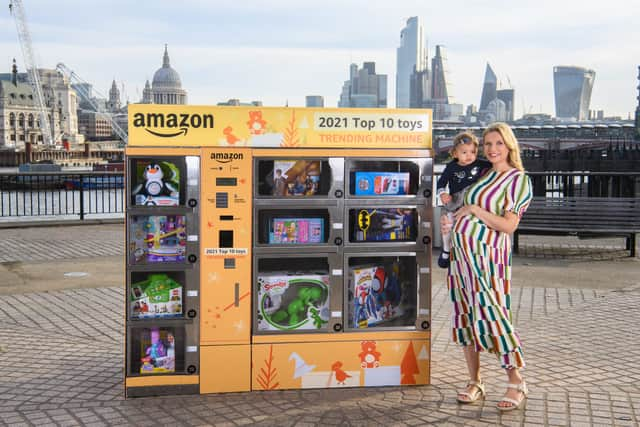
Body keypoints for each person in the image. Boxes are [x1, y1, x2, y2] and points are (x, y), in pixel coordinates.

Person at [441, 122, 533, 412]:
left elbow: (508, 225)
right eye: (488, 144)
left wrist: (475, 210)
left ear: (509, 147)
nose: (492, 150)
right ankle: (475, 380)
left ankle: (516, 381)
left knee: (493, 314)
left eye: (499, 144)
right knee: (465, 316)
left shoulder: (517, 180)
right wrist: (451, 220)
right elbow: (459, 207)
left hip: (488, 260)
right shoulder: (483, 175)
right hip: (461, 259)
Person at [436, 131, 491, 268]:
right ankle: (446, 250)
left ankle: (470, 253)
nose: (469, 156)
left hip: (473, 201)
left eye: (472, 152)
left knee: (467, 229)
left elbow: (498, 165)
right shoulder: (451, 167)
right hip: (455, 200)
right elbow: (441, 183)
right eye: (464, 152)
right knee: (447, 223)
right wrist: (442, 194)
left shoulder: (481, 164)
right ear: (455, 153)